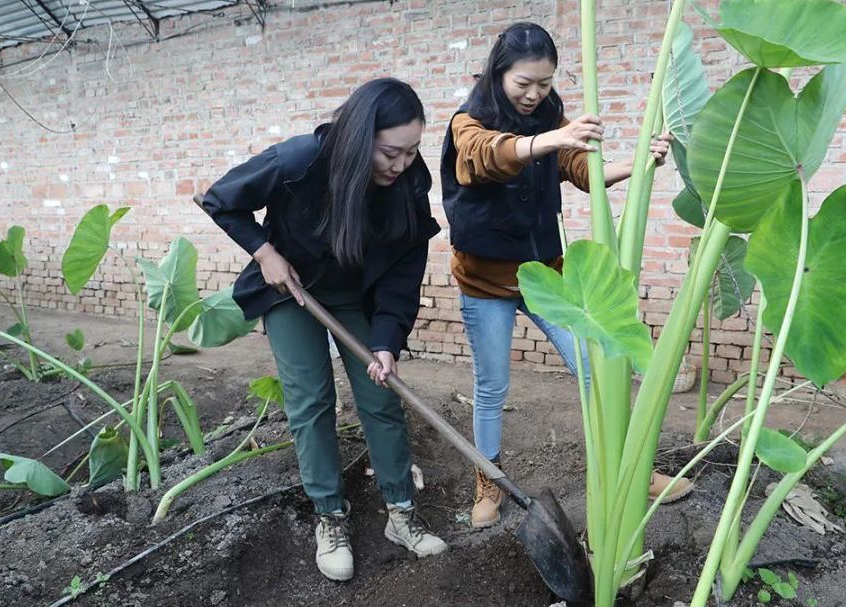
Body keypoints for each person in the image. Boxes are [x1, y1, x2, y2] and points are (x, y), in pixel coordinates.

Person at [440, 22, 691, 529]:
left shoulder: (550, 116)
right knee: (492, 386)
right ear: (498, 74)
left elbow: (578, 166)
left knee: (595, 371)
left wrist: (637, 163)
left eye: (545, 83)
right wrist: (553, 136)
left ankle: (632, 469)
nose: (535, 94)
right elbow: (489, 157)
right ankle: (489, 480)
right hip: (486, 281)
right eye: (524, 84)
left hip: (547, 278)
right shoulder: (468, 122)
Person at [201, 78, 447, 581]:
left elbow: (404, 269)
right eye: (390, 153)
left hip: (358, 297)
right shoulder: (300, 161)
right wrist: (264, 252)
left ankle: (401, 513)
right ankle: (329, 516)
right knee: (310, 400)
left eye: (412, 152)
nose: (401, 165)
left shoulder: (409, 183)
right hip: (293, 290)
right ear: (360, 137)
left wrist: (386, 341)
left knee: (381, 396)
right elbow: (221, 199)